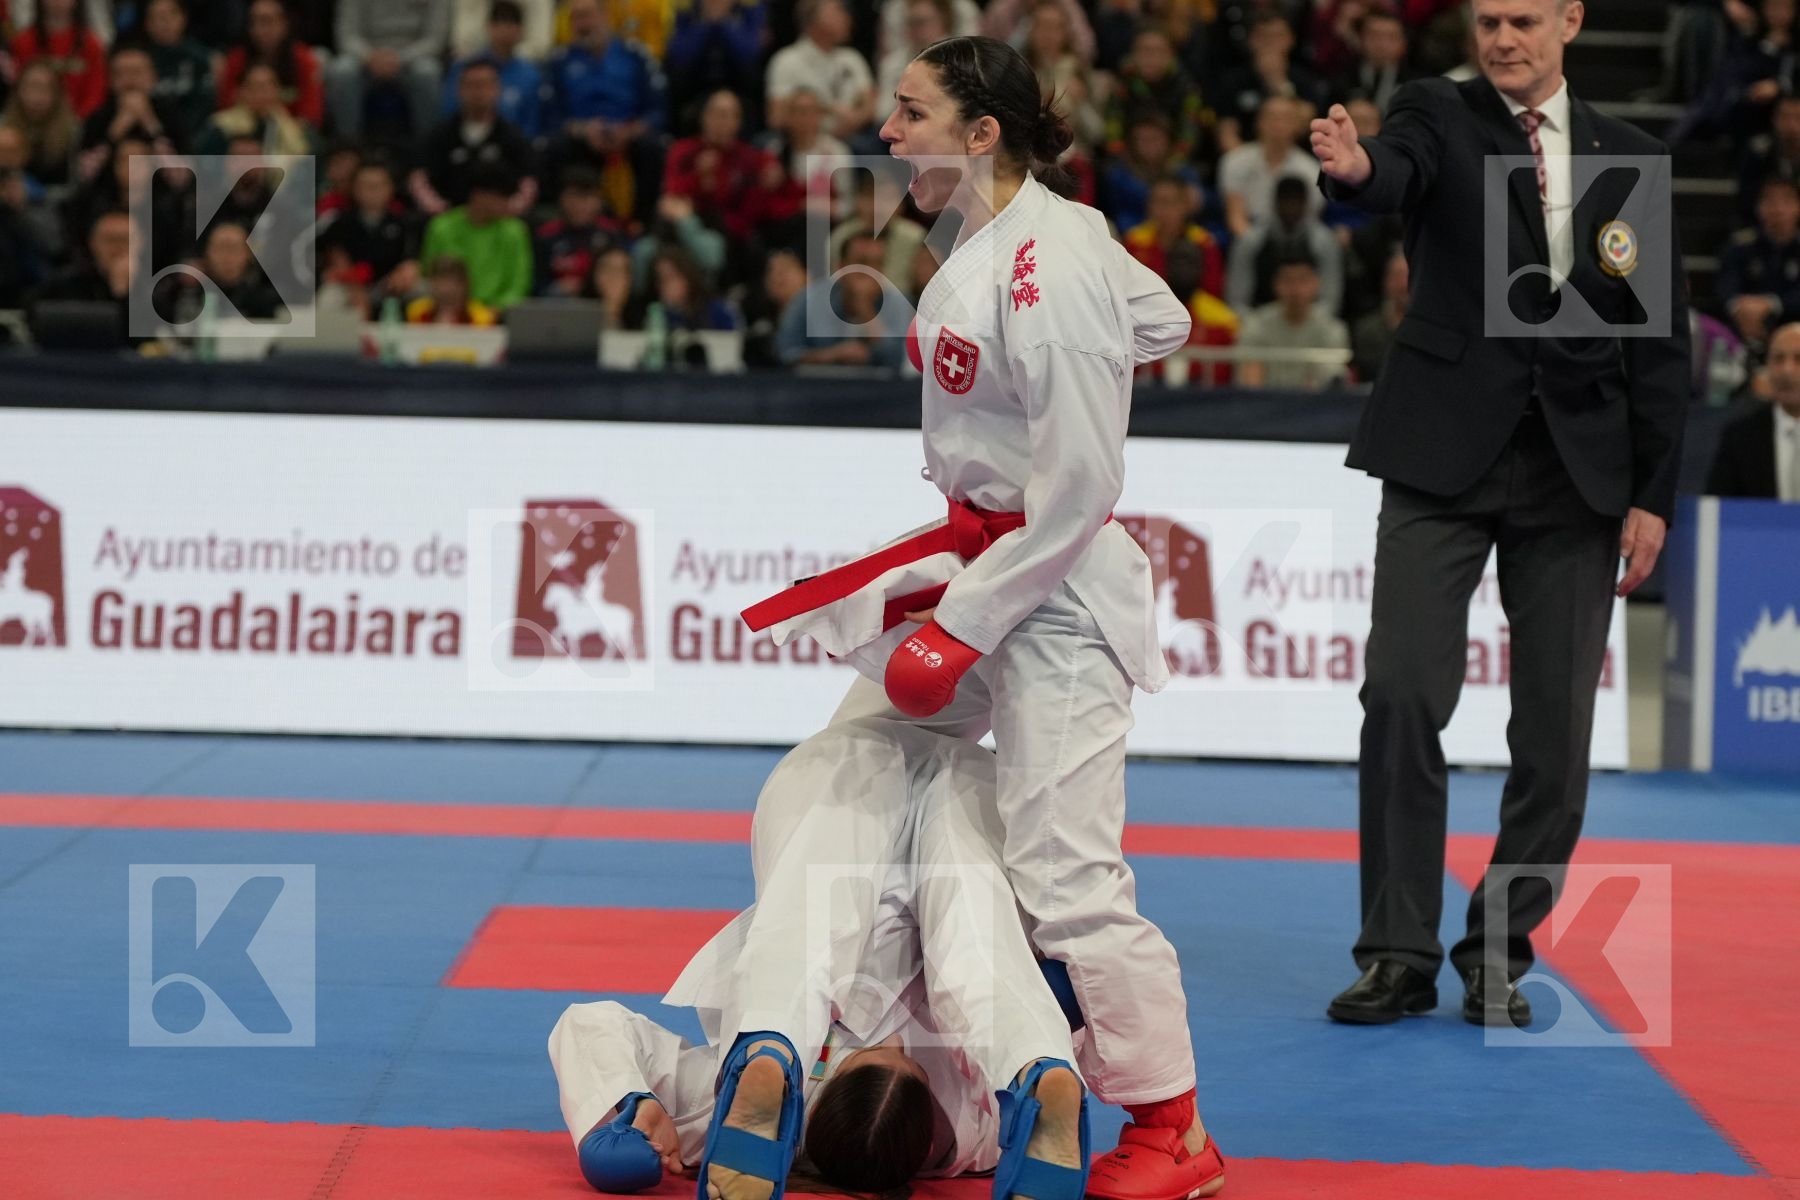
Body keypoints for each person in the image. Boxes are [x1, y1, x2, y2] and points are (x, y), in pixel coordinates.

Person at [741, 34, 1224, 1200]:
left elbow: (1078, 491)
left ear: (980, 133)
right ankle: (874, 1009)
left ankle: (1173, 1127)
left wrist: (961, 624)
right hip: (988, 551)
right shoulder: (1037, 236)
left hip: (1043, 588)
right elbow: (1160, 321)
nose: (886, 132)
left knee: (1067, 874)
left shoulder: (1047, 274)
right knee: (874, 743)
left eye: (908, 114)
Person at [1310, 0, 1691, 1027]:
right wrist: (1354, 169)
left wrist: (1655, 496)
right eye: (1487, 21)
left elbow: (1659, 348)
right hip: (1441, 457)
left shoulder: (1631, 158)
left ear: (1569, 19)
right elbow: (1396, 169)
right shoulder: (1440, 110)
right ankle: (1396, 952)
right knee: (1399, 692)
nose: (1502, 39)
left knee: (1558, 736)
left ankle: (1496, 951)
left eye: (1523, 19)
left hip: (1579, 474)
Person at [550, 721, 1089, 1199]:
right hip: (970, 790)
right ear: (927, 1143)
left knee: (809, 926)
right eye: (914, 1066)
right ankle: (1038, 1065)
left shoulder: (714, 1115)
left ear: (820, 1105)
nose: (895, 1041)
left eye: (870, 1059)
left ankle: (768, 1047)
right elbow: (1066, 1001)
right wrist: (1063, 1012)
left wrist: (627, 1103)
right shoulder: (976, 1138)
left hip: (853, 770)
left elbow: (590, 1024)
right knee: (981, 953)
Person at [327, 0, 451, 140]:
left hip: (412, 59)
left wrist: (400, 58)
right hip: (366, 58)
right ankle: (348, 145)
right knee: (342, 71)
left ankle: (428, 145)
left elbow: (434, 40)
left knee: (427, 73)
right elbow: (347, 36)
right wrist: (369, 57)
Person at [1708, 319, 1800, 499]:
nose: (1787, 370)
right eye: (1778, 359)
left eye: (1799, 359)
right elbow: (1717, 508)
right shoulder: (1740, 437)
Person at [1236, 252, 1351, 388]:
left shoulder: (1332, 329)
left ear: (1316, 283)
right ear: (1276, 285)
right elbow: (1250, 383)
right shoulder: (1255, 325)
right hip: (1264, 405)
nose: (1295, 289)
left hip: (1314, 406)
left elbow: (1330, 382)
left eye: (1303, 280)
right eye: (1288, 281)